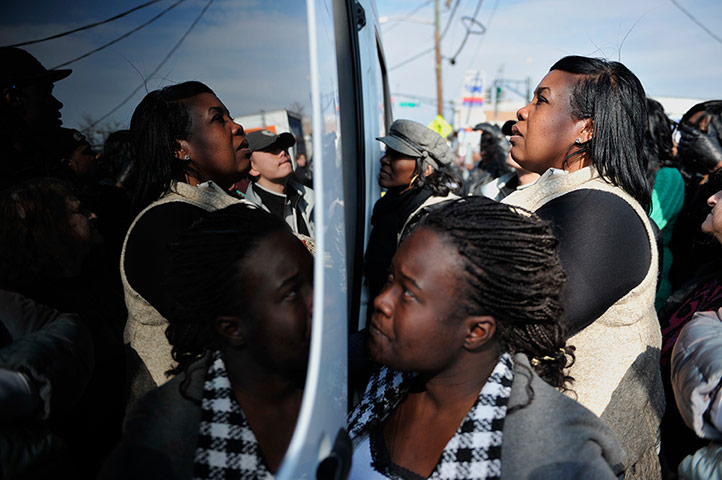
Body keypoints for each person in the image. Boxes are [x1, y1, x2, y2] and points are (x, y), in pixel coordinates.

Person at [348, 196, 625, 479]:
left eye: (409, 292)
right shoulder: (390, 382)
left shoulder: (558, 460)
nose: (382, 300)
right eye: (391, 279)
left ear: (476, 331)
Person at [501, 55, 664, 478]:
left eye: (541, 101)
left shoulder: (603, 211)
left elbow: (526, 322)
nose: (522, 111)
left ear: (586, 129)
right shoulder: (562, 197)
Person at [101, 204, 313, 479]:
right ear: (232, 328)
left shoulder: (328, 374)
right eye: (292, 292)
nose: (322, 300)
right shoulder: (166, 436)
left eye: (315, 278)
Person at [121, 81, 253, 404]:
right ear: (180, 149)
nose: (237, 127)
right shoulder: (164, 225)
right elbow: (233, 324)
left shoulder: (224, 209)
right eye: (217, 119)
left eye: (230, 116)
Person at [363, 119, 461, 307]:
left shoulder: (436, 216)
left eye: (397, 155)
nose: (384, 160)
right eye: (386, 152)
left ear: (426, 168)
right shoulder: (386, 207)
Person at [0, 47, 71, 189]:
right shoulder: (10, 181)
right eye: (46, 93)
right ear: (14, 98)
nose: (58, 103)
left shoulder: (34, 162)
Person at [244, 129, 315, 237]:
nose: (283, 152)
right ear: (252, 168)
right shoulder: (248, 216)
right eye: (272, 149)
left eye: (283, 147)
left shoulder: (311, 199)